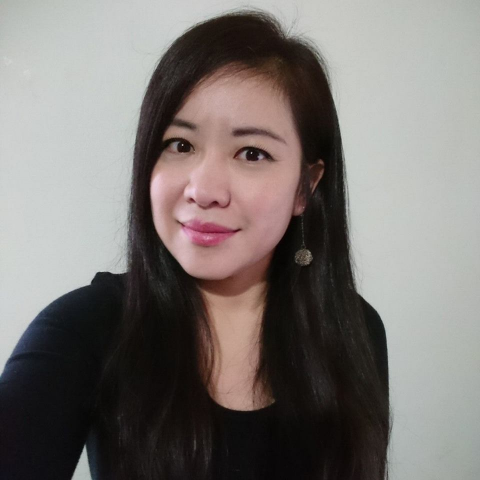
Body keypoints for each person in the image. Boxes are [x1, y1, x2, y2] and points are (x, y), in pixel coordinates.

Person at [0, 8, 390, 480]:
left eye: (252, 153)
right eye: (181, 145)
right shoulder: (84, 329)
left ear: (305, 188)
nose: (204, 190)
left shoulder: (355, 330)